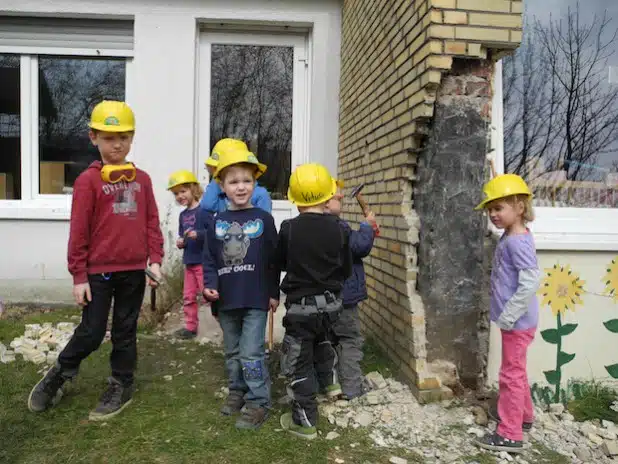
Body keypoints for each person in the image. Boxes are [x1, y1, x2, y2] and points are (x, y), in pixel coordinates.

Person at [28, 100, 164, 420]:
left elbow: (151, 222)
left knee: (125, 331)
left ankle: (121, 383)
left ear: (132, 138)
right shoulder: (87, 182)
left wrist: (155, 259)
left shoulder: (142, 180)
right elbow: (79, 232)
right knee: (91, 331)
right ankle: (60, 373)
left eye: (124, 137)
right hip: (98, 273)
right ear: (93, 138)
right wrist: (78, 275)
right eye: (108, 137)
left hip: (133, 270)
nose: (117, 144)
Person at [202, 147, 279, 430]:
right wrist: (209, 285)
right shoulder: (216, 223)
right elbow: (208, 258)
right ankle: (238, 390)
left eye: (247, 180)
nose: (241, 186)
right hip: (227, 300)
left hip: (256, 299)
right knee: (232, 351)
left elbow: (273, 260)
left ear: (254, 183)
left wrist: (273, 292)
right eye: (233, 182)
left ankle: (258, 400)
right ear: (222, 186)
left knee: (251, 352)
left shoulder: (264, 219)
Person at [277, 163, 352, 440]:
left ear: (294, 199)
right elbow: (346, 269)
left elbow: (281, 262)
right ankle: (330, 384)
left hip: (301, 309)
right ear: (326, 196)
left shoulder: (289, 228)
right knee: (323, 339)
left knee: (299, 362)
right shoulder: (341, 229)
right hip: (332, 306)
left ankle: (305, 422)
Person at [474, 174, 540, 454]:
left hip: (517, 321)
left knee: (510, 375)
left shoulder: (517, 243)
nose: (493, 215)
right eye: (490, 210)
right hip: (516, 321)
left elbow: (530, 282)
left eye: (499, 208)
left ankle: (510, 433)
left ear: (520, 207)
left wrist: (509, 315)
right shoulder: (512, 236)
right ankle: (523, 417)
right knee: (517, 370)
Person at [323, 186, 376, 400]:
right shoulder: (338, 227)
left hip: (323, 299)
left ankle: (328, 385)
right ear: (325, 202)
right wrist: (367, 227)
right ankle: (352, 388)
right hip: (344, 298)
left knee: (326, 341)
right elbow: (360, 246)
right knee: (349, 340)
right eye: (336, 194)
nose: (341, 197)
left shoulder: (315, 228)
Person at [168, 170, 213, 339]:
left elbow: (214, 233)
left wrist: (199, 234)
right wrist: (181, 242)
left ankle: (226, 324)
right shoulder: (183, 215)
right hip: (189, 261)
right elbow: (184, 237)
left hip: (203, 262)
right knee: (188, 296)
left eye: (183, 191)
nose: (180, 196)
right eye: (176, 194)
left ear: (193, 189)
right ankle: (190, 327)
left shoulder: (204, 212)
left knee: (209, 295)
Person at [200, 138, 272, 214]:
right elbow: (207, 206)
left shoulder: (260, 194)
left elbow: (265, 220)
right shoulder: (222, 193)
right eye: (216, 168)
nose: (240, 187)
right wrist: (217, 177)